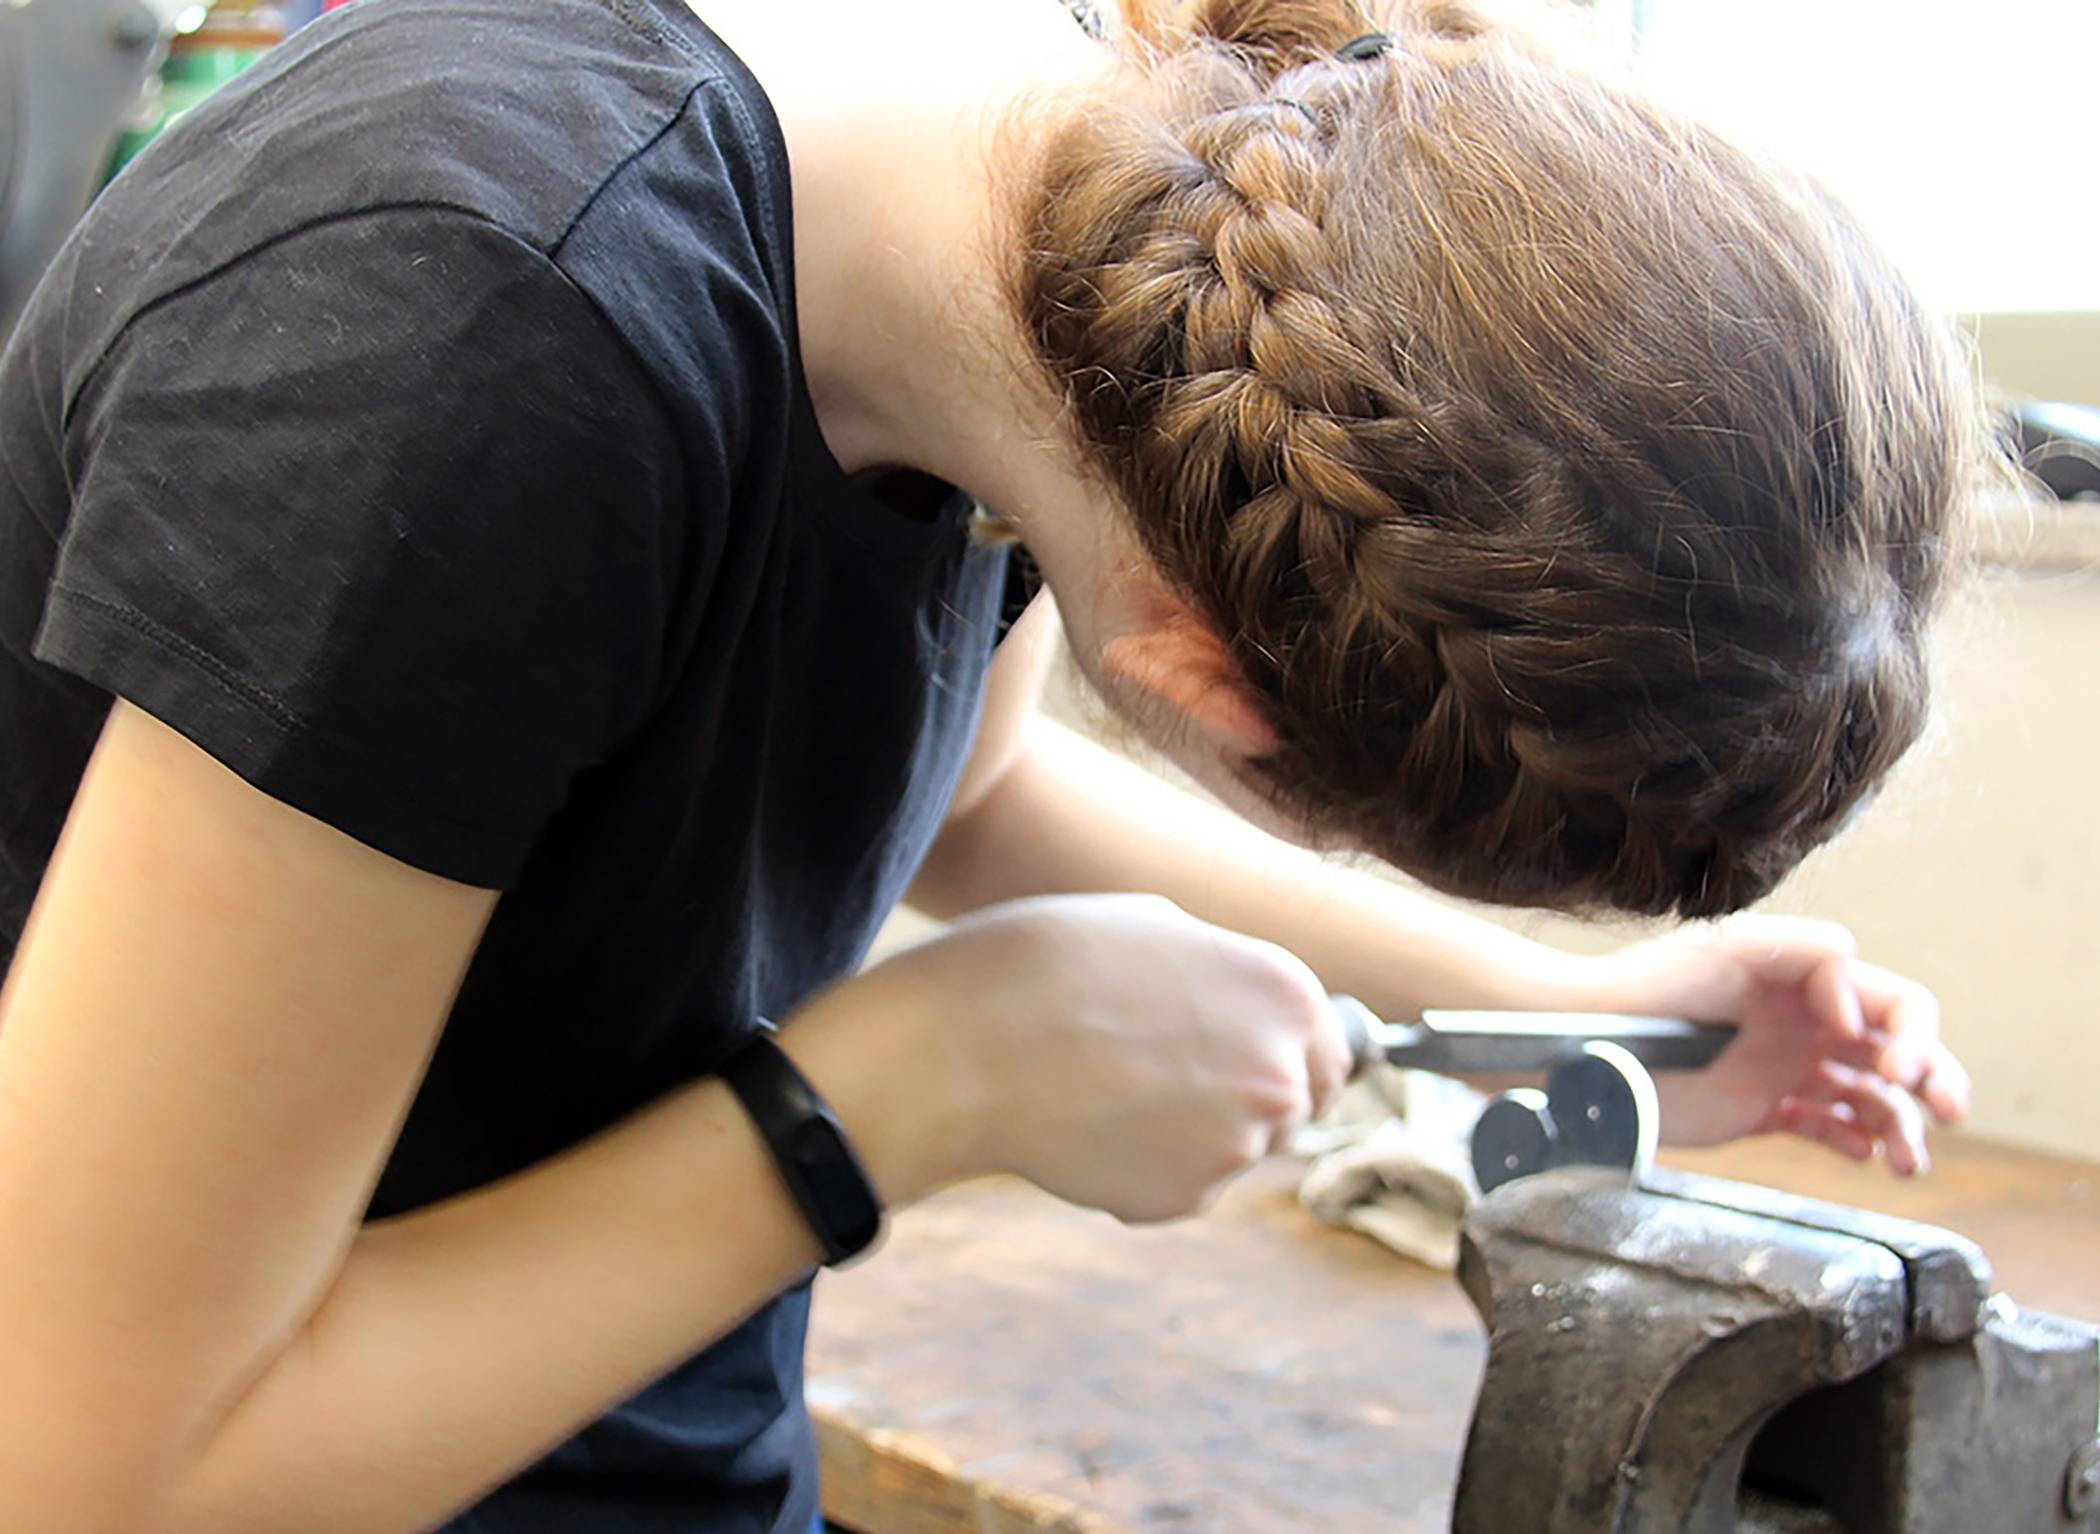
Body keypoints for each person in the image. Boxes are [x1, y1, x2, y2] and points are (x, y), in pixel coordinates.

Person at [0, 0, 1981, 1530]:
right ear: (1196, 670)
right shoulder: (463, 354)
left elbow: (967, 791)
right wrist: (910, 1090)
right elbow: (97, 1472)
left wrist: (1561, 1013)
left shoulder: (1102, 237)